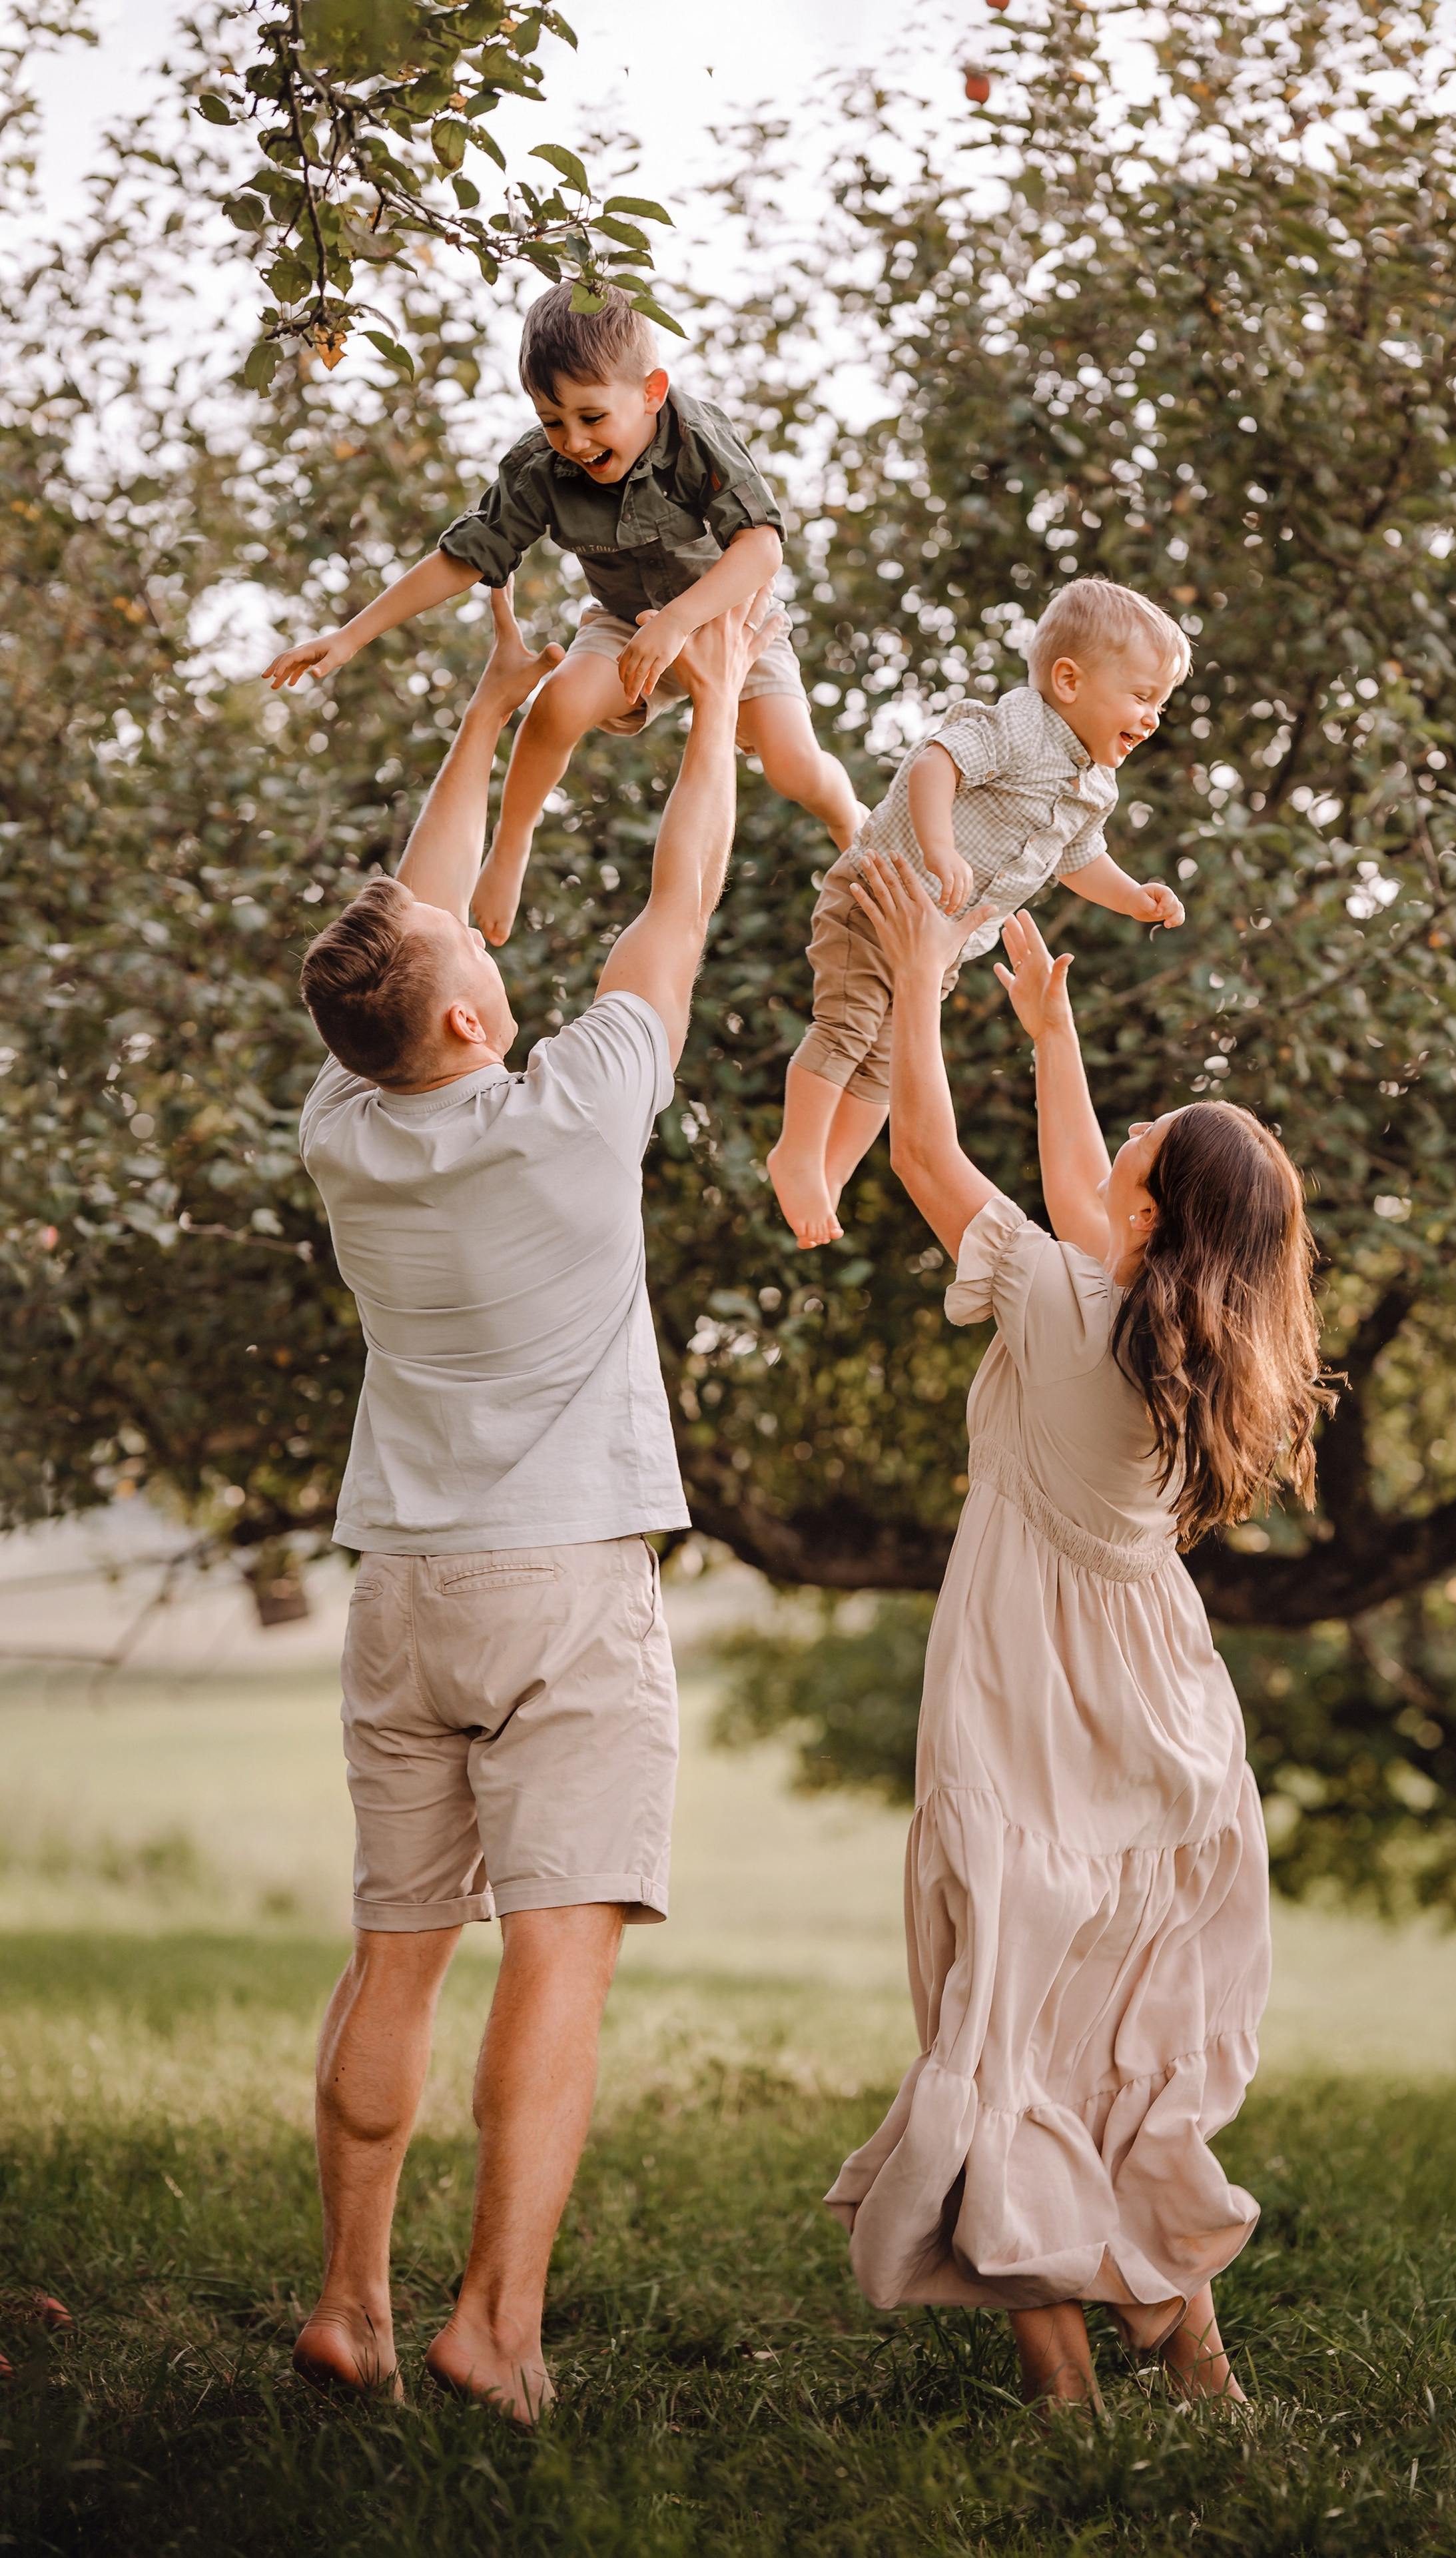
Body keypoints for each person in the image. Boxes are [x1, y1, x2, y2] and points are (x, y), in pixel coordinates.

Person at [290, 586, 778, 2425]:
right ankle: (491, 2326)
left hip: (404, 1590)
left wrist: (495, 706)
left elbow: (411, 935)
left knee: (393, 1953)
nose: (474, 924)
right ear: (473, 1009)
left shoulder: (348, 1128)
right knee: (555, 1958)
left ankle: (351, 2302)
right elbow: (680, 899)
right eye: (469, 947)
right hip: (563, 1586)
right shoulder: (574, 1106)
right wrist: (719, 699)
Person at [823, 857, 1335, 2409]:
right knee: (1108, 2032)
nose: (1119, 1135)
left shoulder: (1062, 1308)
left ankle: (1065, 2396)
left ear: (1153, 1210)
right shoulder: (1185, 1341)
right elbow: (1077, 1213)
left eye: (1141, 1138)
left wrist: (917, 977)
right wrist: (1051, 1038)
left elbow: (926, 1154)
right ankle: (1200, 2369)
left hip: (1025, 1700)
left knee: (1000, 2011)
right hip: (1158, 1708)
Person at [264, 283, 861, 945]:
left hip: (727, 626)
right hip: (626, 623)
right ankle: (511, 845)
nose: (574, 440)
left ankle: (851, 822)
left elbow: (761, 547)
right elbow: (463, 558)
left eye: (592, 417)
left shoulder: (695, 438)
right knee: (557, 704)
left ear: (652, 392)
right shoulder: (541, 469)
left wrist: (678, 623)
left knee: (792, 766)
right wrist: (352, 636)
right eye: (553, 421)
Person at [765, 576, 1190, 1252]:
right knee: (846, 1029)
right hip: (878, 899)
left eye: (1160, 704)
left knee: (884, 1064)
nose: (1152, 718)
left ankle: (832, 1173)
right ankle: (797, 1153)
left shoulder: (1096, 786)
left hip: (938, 946)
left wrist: (1133, 896)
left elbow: (1079, 859)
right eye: (1141, 697)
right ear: (1069, 681)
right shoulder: (1023, 726)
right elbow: (937, 763)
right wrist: (938, 848)